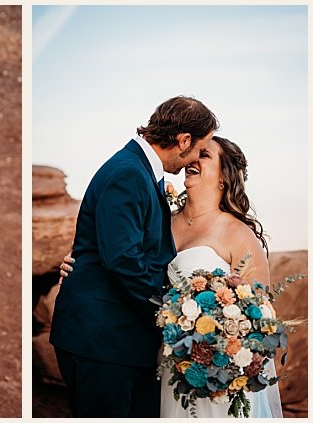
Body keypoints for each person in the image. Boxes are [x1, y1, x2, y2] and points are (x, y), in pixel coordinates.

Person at [60, 136, 282, 417]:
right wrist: (76, 263)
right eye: (195, 151)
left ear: (224, 178)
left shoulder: (238, 233)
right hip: (162, 360)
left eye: (205, 155)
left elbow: (261, 312)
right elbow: (116, 250)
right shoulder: (161, 218)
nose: (193, 158)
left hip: (213, 367)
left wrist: (224, 349)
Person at [50, 95, 216, 417]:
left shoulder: (138, 171)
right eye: (199, 148)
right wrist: (171, 312)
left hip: (120, 342)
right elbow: (122, 260)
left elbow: (116, 248)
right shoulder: (129, 173)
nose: (194, 159)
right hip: (102, 341)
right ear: (183, 140)